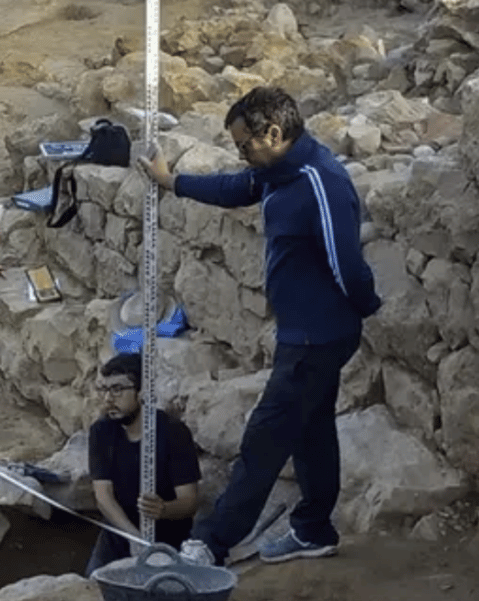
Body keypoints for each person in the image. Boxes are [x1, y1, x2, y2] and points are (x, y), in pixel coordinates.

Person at [137, 86, 382, 566]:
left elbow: (346, 263)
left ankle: (211, 544)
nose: (242, 155)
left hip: (318, 337)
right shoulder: (276, 171)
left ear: (274, 133)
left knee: (264, 440)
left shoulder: (319, 182)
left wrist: (363, 308)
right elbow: (236, 189)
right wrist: (173, 182)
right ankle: (313, 530)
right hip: (305, 332)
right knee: (311, 431)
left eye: (245, 145)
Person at [85, 353, 201, 576]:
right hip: (118, 535)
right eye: (104, 389)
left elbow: (189, 501)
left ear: (141, 392)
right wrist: (133, 536)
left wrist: (164, 509)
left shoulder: (173, 433)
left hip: (167, 542)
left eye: (118, 389)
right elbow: (103, 496)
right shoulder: (102, 431)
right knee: (92, 591)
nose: (108, 398)